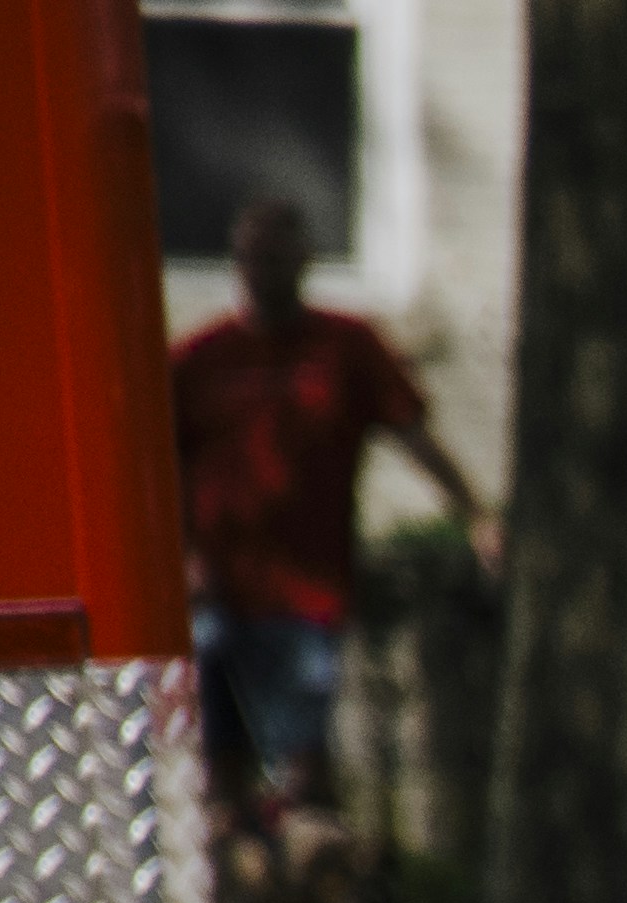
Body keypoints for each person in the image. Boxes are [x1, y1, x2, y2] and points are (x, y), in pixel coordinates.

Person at [169, 197, 490, 821]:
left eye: (279, 253)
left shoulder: (347, 348)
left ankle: (312, 882)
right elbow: (157, 473)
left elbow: (413, 433)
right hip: (213, 600)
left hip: (307, 595)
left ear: (305, 260)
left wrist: (473, 513)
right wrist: (180, 560)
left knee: (304, 770)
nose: (264, 267)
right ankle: (240, 897)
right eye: (252, 254)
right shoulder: (199, 360)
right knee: (217, 771)